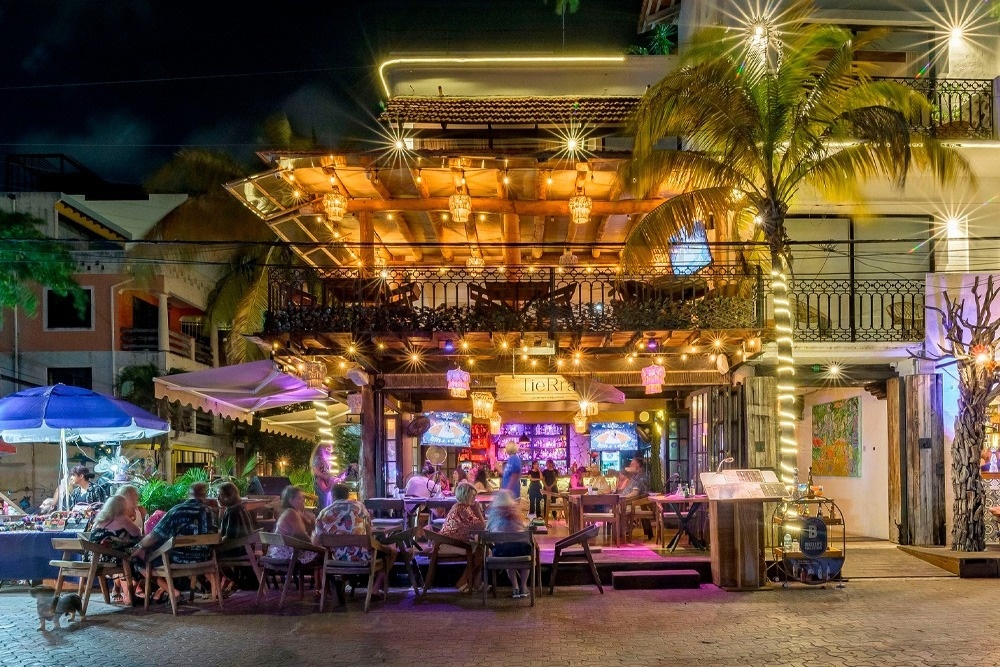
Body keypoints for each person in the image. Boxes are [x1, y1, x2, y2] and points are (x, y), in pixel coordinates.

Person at [131, 483, 217, 602]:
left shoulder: (177, 510)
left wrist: (139, 546)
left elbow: (156, 535)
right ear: (205, 495)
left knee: (139, 561)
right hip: (205, 558)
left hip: (178, 559)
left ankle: (173, 592)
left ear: (188, 494)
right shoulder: (211, 512)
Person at [313, 484, 396, 596]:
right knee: (392, 552)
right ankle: (374, 589)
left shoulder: (323, 513)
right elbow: (369, 534)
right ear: (348, 495)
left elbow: (317, 542)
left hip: (336, 558)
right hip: (362, 557)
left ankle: (340, 585)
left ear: (332, 495)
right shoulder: (359, 506)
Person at [89, 494, 142, 603]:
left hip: (91, 558)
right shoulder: (122, 519)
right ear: (122, 507)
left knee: (127, 554)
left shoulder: (98, 520)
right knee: (135, 556)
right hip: (109, 558)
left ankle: (125, 591)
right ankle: (131, 593)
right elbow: (137, 533)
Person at [438, 481, 486, 591]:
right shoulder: (461, 508)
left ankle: (475, 583)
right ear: (465, 495)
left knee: (483, 551)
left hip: (454, 541)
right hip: (448, 544)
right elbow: (480, 526)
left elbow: (475, 526)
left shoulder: (462, 507)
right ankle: (463, 582)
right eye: (473, 495)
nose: (475, 498)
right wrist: (478, 510)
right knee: (481, 552)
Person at [484, 490, 531, 598]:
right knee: (526, 550)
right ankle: (523, 587)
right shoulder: (516, 513)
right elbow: (522, 527)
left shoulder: (494, 513)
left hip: (501, 552)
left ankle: (515, 588)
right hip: (521, 549)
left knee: (509, 557)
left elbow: (488, 529)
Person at [217, 482, 258, 591]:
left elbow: (229, 537)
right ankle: (236, 582)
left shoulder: (233, 512)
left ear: (228, 497)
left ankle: (236, 581)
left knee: (211, 555)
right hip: (246, 546)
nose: (218, 498)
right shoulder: (239, 508)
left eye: (220, 495)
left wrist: (215, 544)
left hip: (240, 548)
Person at [268, 485, 319, 564]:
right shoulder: (291, 513)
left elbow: (309, 530)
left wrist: (311, 520)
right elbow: (301, 535)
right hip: (285, 553)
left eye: (303, 497)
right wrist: (316, 546)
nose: (303, 500)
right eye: (299, 498)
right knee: (322, 553)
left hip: (286, 550)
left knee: (320, 552)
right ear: (290, 500)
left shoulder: (296, 512)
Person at [310, 443, 336, 511]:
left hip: (325, 483)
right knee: (324, 505)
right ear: (321, 449)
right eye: (327, 449)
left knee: (328, 505)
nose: (329, 451)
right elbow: (316, 471)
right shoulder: (319, 458)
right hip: (321, 483)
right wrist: (327, 478)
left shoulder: (326, 460)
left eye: (330, 449)